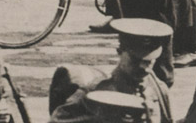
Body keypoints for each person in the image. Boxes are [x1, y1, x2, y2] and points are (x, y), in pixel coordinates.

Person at [47, 18, 175, 123]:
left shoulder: (159, 89)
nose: (144, 68)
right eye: (135, 61)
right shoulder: (95, 91)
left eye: (149, 62)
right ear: (120, 51)